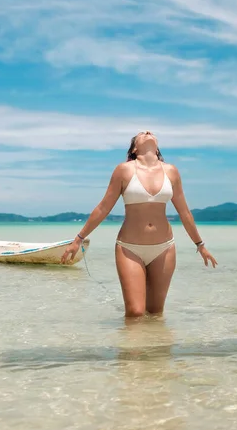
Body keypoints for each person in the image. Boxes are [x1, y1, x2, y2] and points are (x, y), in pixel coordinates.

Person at [61, 131, 217, 318]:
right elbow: (103, 208)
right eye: (141, 134)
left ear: (157, 147)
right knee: (135, 313)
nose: (147, 132)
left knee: (155, 313)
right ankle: (131, 348)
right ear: (135, 148)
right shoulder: (124, 170)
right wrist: (79, 239)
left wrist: (200, 245)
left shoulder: (171, 171)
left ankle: (156, 347)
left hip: (164, 248)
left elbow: (184, 212)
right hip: (129, 248)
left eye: (150, 133)